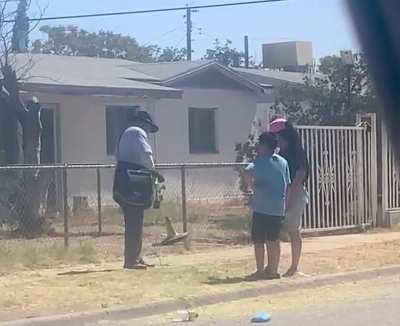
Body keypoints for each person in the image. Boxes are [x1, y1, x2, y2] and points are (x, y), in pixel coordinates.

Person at [113, 111, 163, 270]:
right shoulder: (137, 132)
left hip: (123, 180)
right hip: (132, 182)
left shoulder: (125, 134)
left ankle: (136, 257)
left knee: (135, 220)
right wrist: (154, 172)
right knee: (134, 221)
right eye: (148, 126)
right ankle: (131, 260)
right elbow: (146, 155)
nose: (148, 130)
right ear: (143, 123)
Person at [244, 132, 291, 280]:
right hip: (277, 207)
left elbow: (246, 171)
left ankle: (259, 271)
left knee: (259, 241)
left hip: (261, 206)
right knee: (273, 240)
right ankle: (273, 270)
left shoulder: (259, 161)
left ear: (264, 145)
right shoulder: (283, 162)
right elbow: (288, 183)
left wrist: (253, 186)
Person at [270, 118, 310, 277]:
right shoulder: (280, 154)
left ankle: (294, 267)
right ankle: (273, 267)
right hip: (281, 192)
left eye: (275, 136)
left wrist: (289, 197)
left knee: (293, 230)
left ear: (282, 135)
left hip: (295, 192)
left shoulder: (297, 152)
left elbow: (300, 175)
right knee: (274, 231)